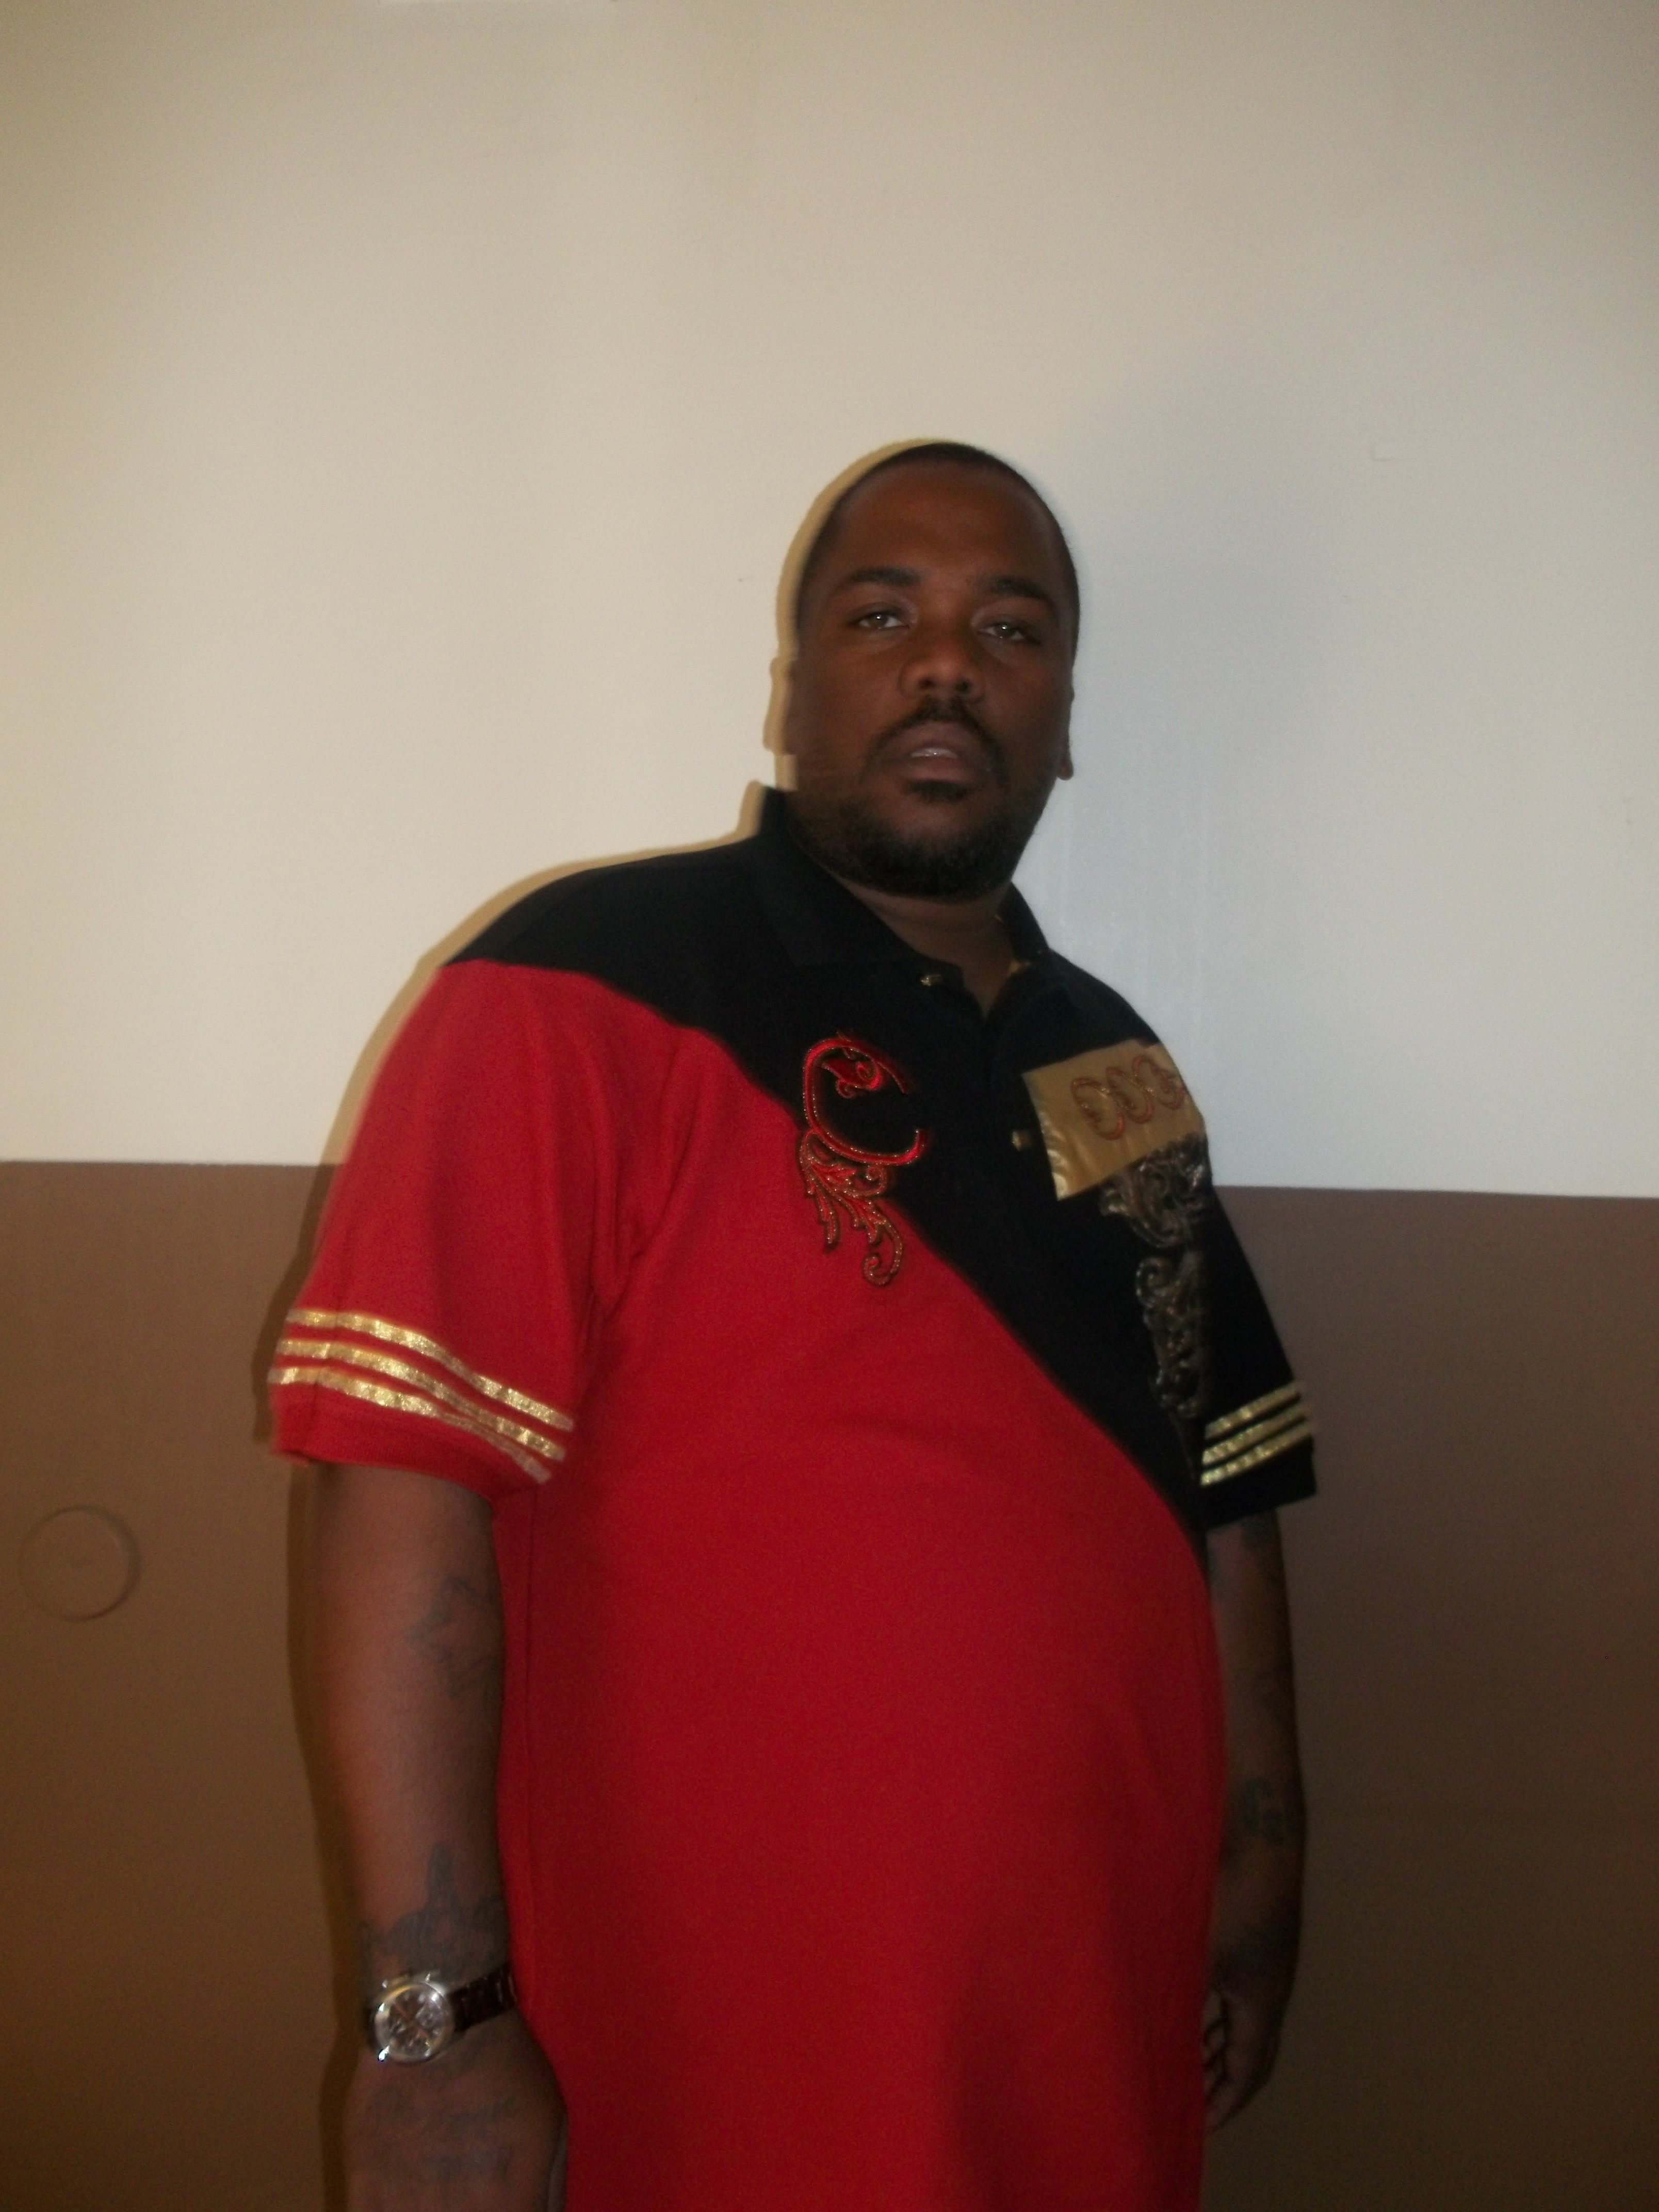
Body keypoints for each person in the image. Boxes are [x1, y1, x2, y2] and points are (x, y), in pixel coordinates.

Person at [273, 442, 1314, 2212]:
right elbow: (397, 1488)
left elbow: (1226, 1493)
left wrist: (1265, 1859)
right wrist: (432, 2024)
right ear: (791, 687)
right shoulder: (573, 984)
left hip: (1087, 2019)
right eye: (882, 616)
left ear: (1066, 717)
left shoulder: (1119, 1066)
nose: (947, 663)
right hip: (720, 2040)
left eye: (1011, 629)